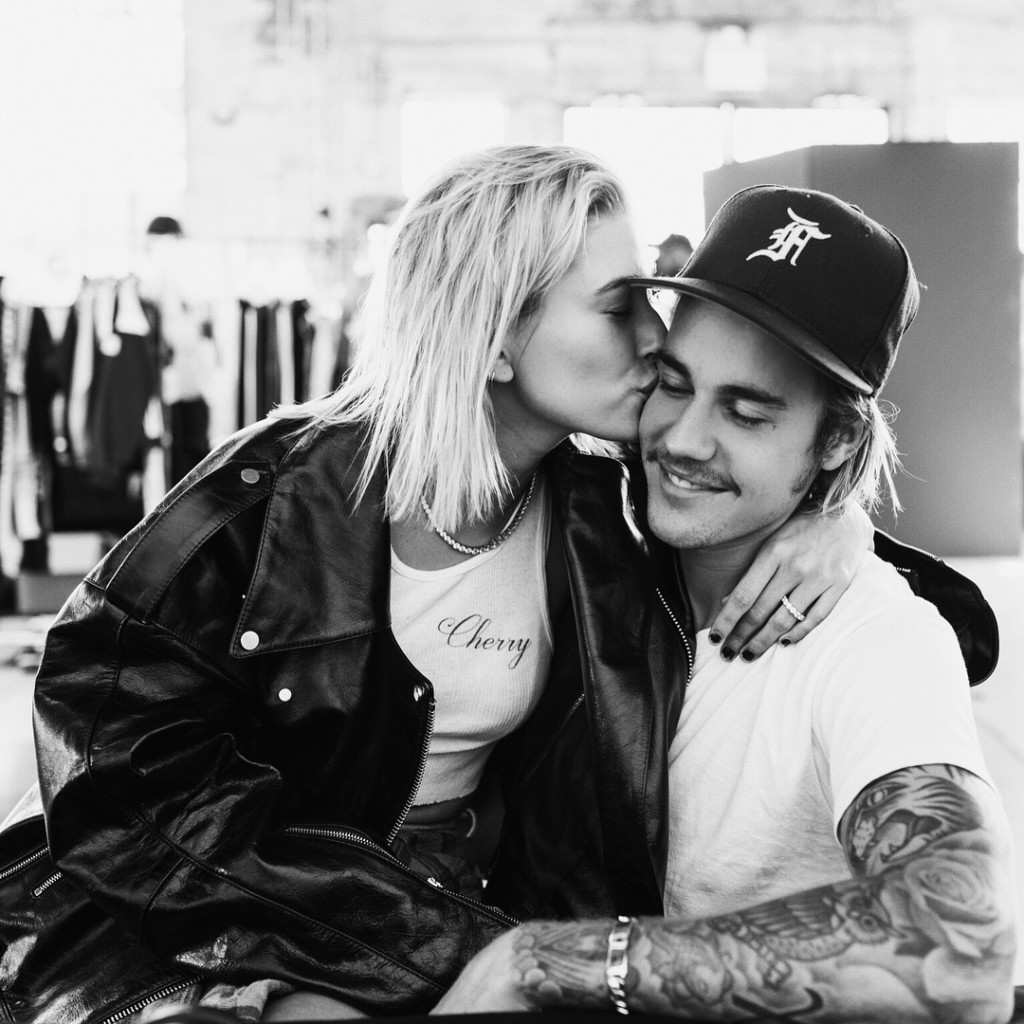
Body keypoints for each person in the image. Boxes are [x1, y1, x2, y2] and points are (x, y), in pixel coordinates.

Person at [0, 151, 983, 1024]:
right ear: (495, 338)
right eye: (626, 314)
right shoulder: (272, 503)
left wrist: (841, 525)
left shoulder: (605, 508)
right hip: (232, 930)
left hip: (457, 924)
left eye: (748, 410)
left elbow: (960, 927)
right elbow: (117, 755)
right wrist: (464, 946)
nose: (657, 355)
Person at [435, 185, 1016, 1024]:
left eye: (746, 413)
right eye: (673, 385)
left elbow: (962, 958)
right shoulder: (590, 547)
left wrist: (544, 964)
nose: (682, 440)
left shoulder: (880, 641)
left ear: (839, 438)